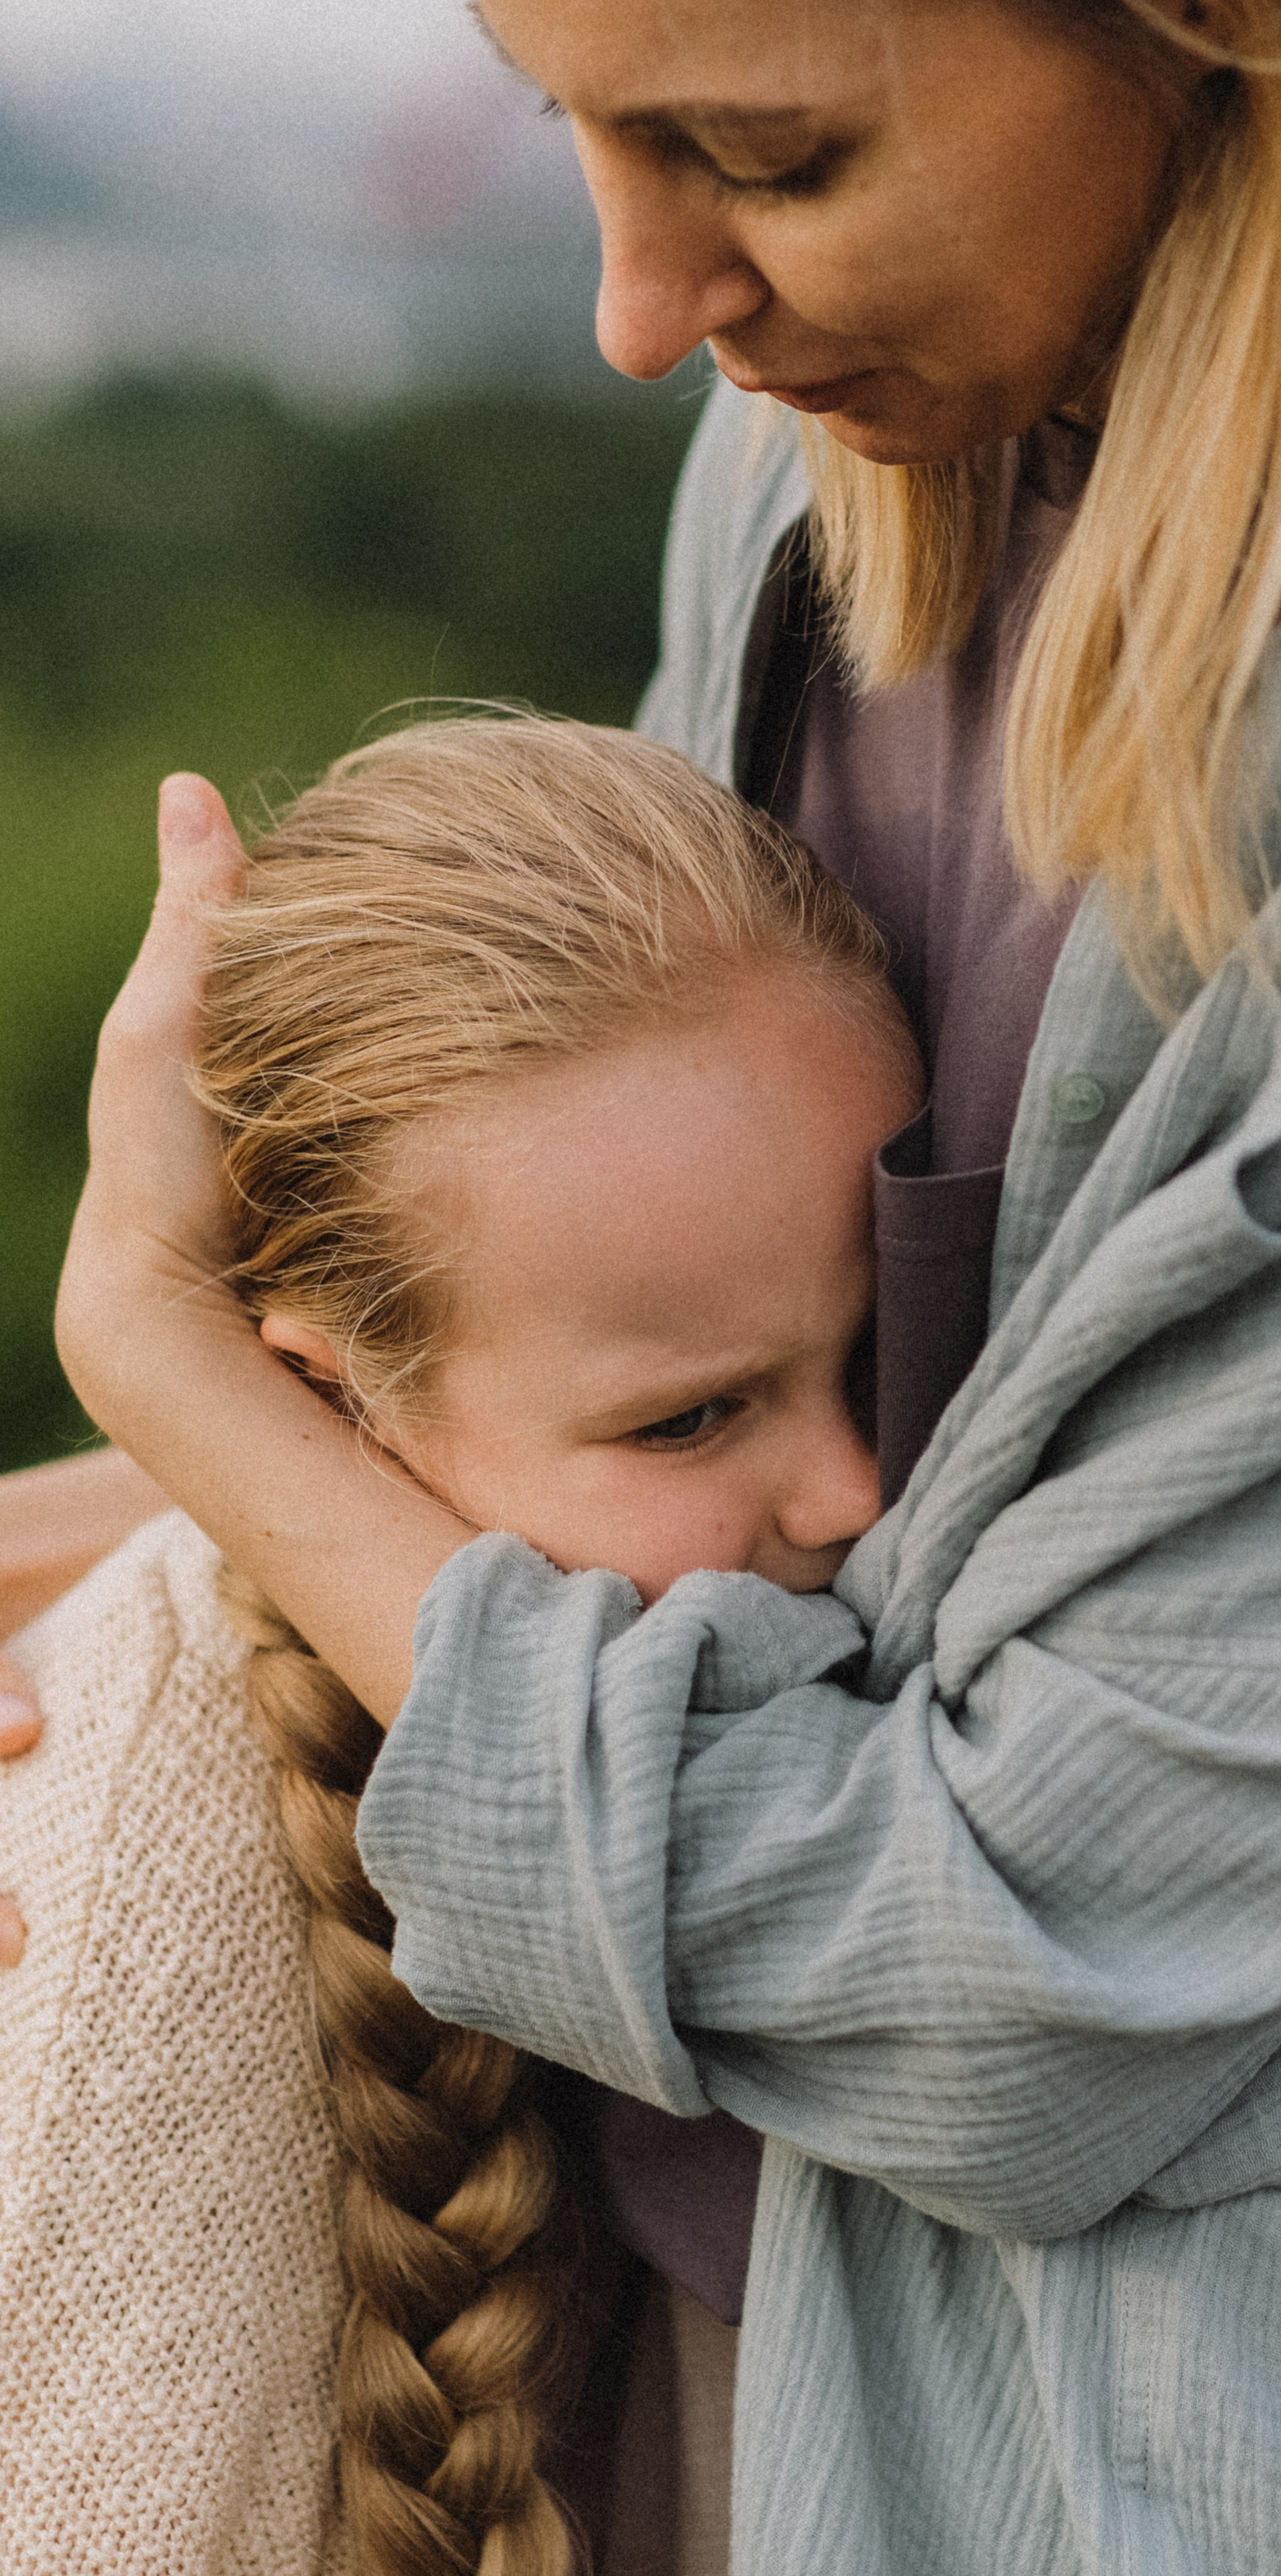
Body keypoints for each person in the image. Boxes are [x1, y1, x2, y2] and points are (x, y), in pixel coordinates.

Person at [9, 0, 1281, 2564]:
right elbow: (617, 1346)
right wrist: (126, 1574)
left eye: (761, 150)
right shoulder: (828, 461)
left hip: (1265, 2470)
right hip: (731, 2369)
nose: (639, 305)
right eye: (580, 131)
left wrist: (176, 1378)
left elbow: (1023, 1981)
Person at [0, 714, 917, 2574]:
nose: (856, 1491)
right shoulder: (131, 1912)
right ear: (326, 1409)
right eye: (689, 1418)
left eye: (893, 1343)